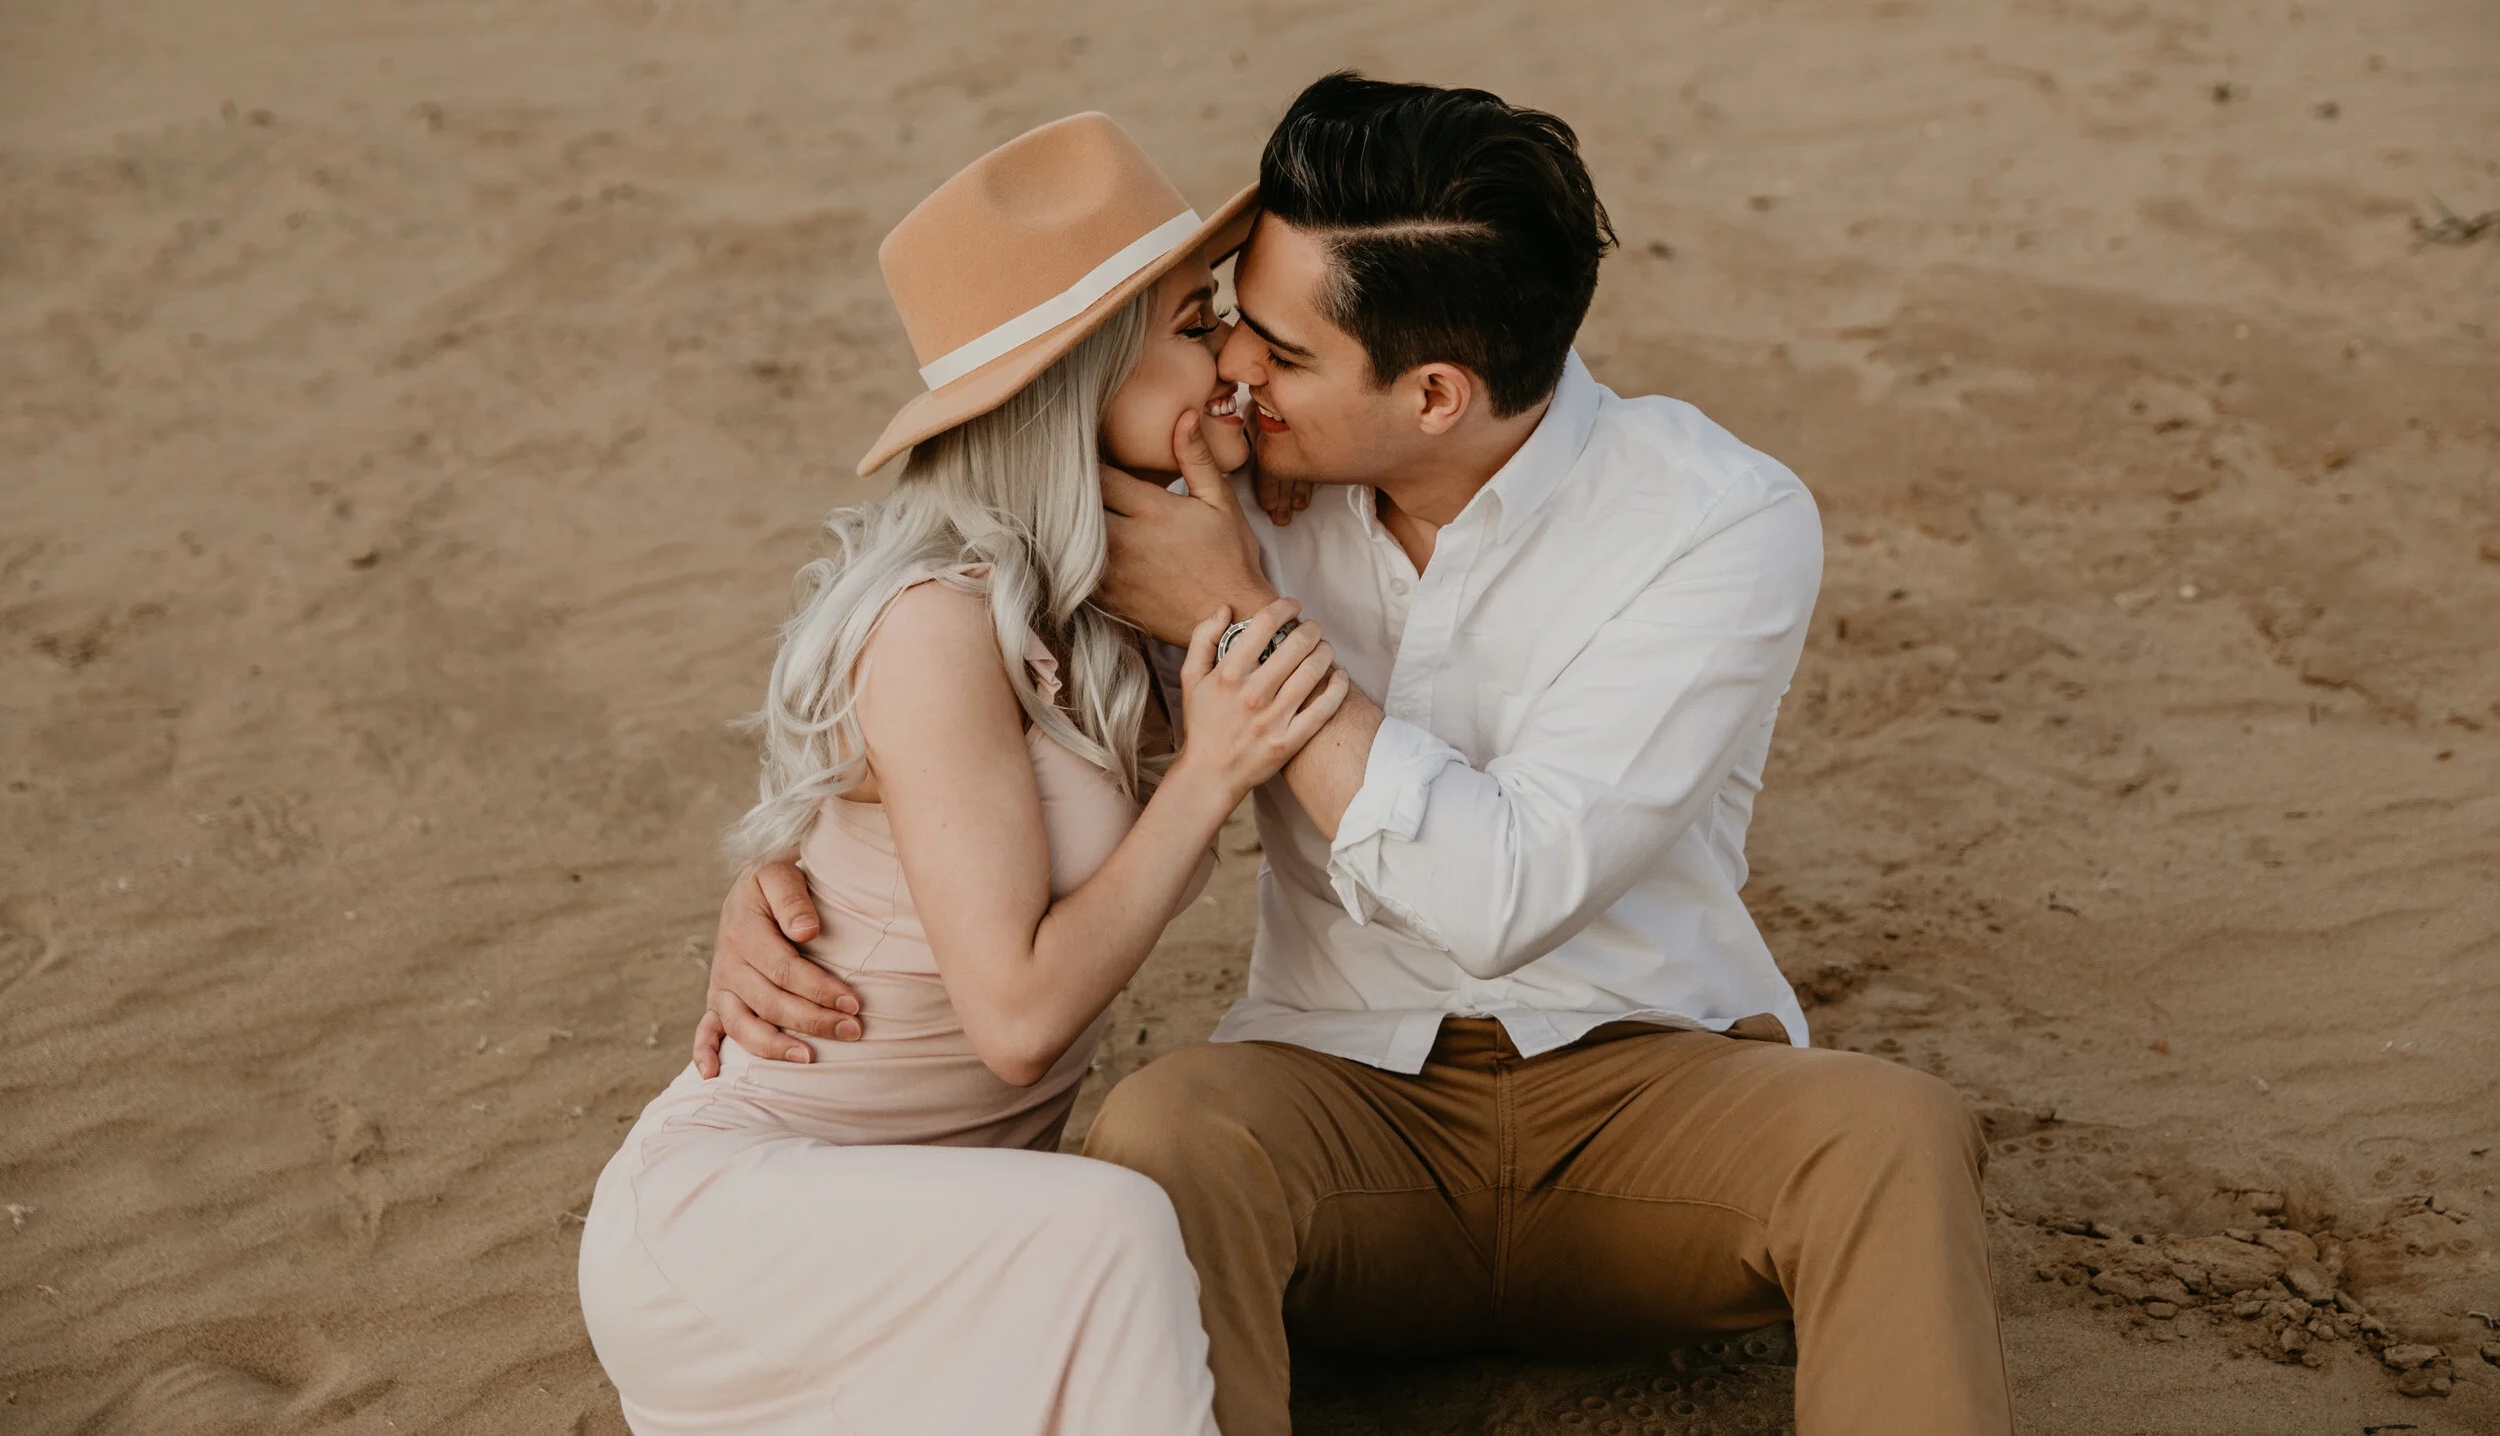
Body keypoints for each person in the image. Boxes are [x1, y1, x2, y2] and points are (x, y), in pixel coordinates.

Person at [700, 75, 2016, 1436]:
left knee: (1895, 1135)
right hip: (1337, 1110)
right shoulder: (1215, 486)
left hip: (1654, 1098)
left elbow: (1503, 893)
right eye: (1225, 326)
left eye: (1279, 349)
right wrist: (794, 889)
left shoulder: (1716, 523)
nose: (1235, 374)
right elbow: (951, 670)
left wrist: (1245, 617)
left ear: (1435, 391)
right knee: (1162, 1135)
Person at [578, 111, 1351, 1435]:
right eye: (1189, 323)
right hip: (745, 1227)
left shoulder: (1144, 600)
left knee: (1114, 1254)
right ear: (1082, 380)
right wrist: (1207, 773)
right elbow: (1015, 1018)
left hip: (956, 1234)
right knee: (1123, 1228)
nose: (1231, 354)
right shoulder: (937, 624)